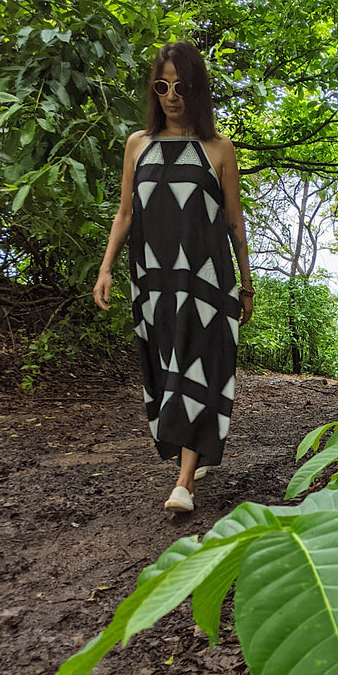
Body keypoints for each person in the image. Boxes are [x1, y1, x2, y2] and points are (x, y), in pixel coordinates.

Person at [93, 41, 254, 513]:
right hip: (153, 281)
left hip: (206, 282)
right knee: (166, 372)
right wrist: (105, 269)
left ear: (196, 89)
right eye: (161, 86)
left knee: (196, 366)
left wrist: (246, 284)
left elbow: (234, 222)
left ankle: (183, 482)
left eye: (180, 86)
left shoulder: (218, 149)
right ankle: (194, 448)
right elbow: (125, 213)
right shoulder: (137, 145)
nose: (171, 95)